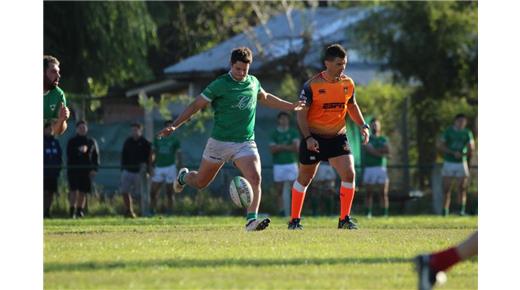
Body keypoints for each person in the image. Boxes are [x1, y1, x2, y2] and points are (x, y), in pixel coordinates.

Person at [158, 47, 303, 231]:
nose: (242, 73)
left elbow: (265, 97)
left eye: (245, 69)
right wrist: (175, 125)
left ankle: (251, 220)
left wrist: (291, 106)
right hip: (219, 142)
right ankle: (184, 177)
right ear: (231, 65)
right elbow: (196, 105)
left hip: (245, 142)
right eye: (238, 69)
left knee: (255, 178)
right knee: (201, 182)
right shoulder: (220, 84)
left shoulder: (253, 82)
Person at [288, 43, 370, 230]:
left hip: (337, 137)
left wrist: (362, 125)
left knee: (349, 173)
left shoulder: (348, 83)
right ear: (327, 63)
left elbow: (352, 105)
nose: (343, 68)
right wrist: (308, 138)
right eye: (339, 64)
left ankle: (344, 219)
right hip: (314, 138)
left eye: (345, 64)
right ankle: (294, 221)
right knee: (305, 178)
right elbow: (301, 113)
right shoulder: (312, 85)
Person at [437, 113, 475, 216]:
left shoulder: (467, 133)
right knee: (446, 188)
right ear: (455, 121)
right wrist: (452, 152)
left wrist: (463, 153)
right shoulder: (448, 131)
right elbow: (440, 145)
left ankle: (461, 211)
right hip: (449, 162)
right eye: (460, 121)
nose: (462, 123)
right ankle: (445, 211)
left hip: (461, 163)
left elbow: (471, 147)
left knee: (462, 188)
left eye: (464, 121)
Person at [66, 120, 100, 218]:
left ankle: (79, 210)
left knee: (83, 191)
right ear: (77, 129)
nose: (82, 129)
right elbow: (69, 154)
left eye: (84, 127)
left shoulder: (91, 141)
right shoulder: (72, 141)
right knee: (73, 190)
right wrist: (78, 150)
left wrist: (94, 169)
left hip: (86, 171)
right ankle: (72, 211)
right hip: (74, 170)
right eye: (80, 128)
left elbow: (96, 156)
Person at [269, 112, 299, 217]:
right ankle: (281, 212)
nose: (284, 120)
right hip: (278, 165)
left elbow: (295, 148)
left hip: (291, 164)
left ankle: (295, 212)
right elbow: (272, 149)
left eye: (286, 118)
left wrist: (280, 146)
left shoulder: (293, 132)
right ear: (279, 120)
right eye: (282, 118)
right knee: (279, 190)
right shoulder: (274, 133)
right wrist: (287, 146)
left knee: (295, 189)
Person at [150, 120, 183, 216]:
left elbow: (179, 154)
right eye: (167, 127)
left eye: (171, 127)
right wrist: (151, 165)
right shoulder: (158, 138)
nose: (169, 129)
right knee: (153, 191)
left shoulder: (175, 140)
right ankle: (152, 210)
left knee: (169, 192)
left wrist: (180, 166)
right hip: (159, 167)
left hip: (170, 167)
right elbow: (152, 153)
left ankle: (170, 211)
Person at [120, 123, 152, 218]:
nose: (134, 132)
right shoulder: (127, 142)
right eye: (132, 130)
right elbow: (123, 156)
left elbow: (150, 157)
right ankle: (129, 211)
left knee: (141, 194)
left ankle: (144, 212)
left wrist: (149, 169)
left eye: (136, 130)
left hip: (140, 172)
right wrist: (123, 168)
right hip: (128, 171)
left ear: (140, 131)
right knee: (124, 191)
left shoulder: (145, 142)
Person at [362, 118, 390, 218]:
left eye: (376, 125)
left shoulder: (383, 139)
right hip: (369, 168)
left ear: (380, 126)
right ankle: (368, 213)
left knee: (383, 193)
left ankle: (384, 214)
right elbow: (367, 149)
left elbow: (387, 150)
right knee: (369, 193)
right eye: (373, 125)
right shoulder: (367, 138)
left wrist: (374, 151)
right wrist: (380, 153)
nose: (375, 127)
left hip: (381, 168)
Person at [44, 55, 70, 135]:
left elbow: (57, 131)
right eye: (53, 71)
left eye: (58, 72)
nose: (58, 75)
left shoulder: (59, 94)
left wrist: (61, 120)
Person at [44, 123, 63, 218]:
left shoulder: (55, 142)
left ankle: (47, 211)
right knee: (44, 192)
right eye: (47, 129)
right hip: (44, 173)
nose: (50, 131)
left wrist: (58, 168)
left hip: (53, 173)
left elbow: (59, 157)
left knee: (51, 192)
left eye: (51, 129)